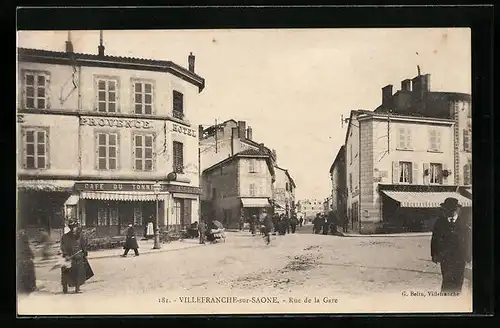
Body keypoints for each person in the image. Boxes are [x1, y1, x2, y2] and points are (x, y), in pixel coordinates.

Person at [431, 197, 472, 294]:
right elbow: (435, 239)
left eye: (452, 210)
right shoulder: (440, 222)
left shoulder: (464, 223)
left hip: (460, 257)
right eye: (447, 210)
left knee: (458, 280)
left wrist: (469, 255)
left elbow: (468, 240)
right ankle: (446, 302)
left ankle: (456, 300)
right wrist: (434, 254)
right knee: (446, 281)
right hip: (445, 257)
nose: (449, 212)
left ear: (456, 209)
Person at [60, 221, 93, 294]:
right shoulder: (65, 236)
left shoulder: (80, 236)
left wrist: (84, 253)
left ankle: (77, 288)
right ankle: (65, 288)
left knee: (79, 272)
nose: (73, 229)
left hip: (78, 256)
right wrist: (65, 254)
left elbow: (83, 245)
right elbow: (63, 246)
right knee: (65, 272)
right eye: (72, 227)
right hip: (67, 257)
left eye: (74, 227)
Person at [17, 229, 36, 294]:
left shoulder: (18, 242)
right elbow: (29, 251)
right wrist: (32, 256)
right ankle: (30, 287)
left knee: (20, 274)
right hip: (26, 261)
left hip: (20, 261)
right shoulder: (25, 244)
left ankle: (21, 287)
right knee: (30, 273)